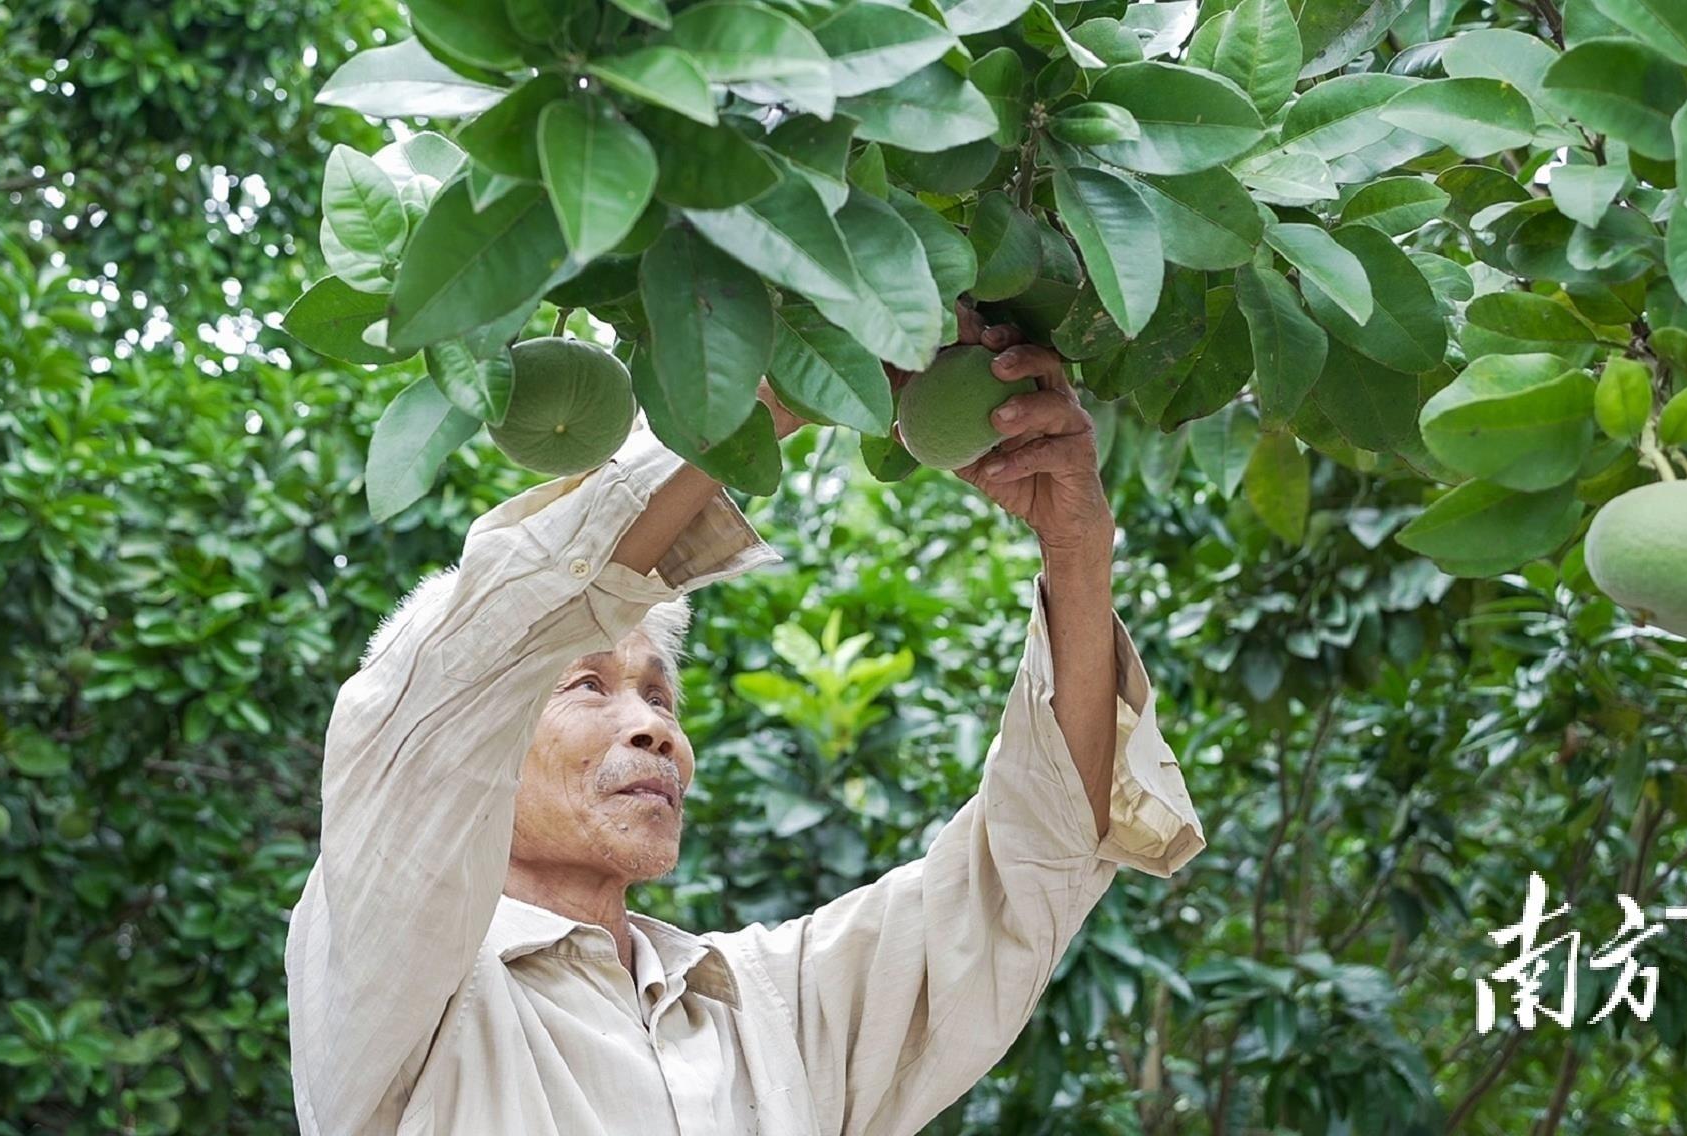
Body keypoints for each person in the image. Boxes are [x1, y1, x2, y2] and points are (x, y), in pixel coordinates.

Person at [284, 302, 1205, 1136]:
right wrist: (775, 378)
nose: (653, 730)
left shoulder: (766, 1006)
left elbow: (1029, 864)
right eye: (586, 685)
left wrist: (1076, 554)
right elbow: (472, 663)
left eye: (660, 696)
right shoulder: (392, 972)